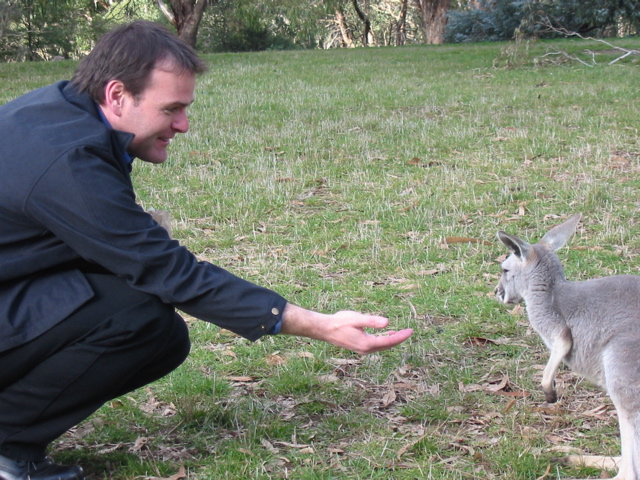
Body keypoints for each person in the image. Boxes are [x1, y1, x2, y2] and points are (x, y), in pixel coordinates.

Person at [0, 20, 413, 480]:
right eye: (171, 108)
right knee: (140, 320)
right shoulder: (68, 158)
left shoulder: (58, 110)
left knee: (156, 328)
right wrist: (320, 325)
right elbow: (170, 272)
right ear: (117, 95)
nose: (183, 125)